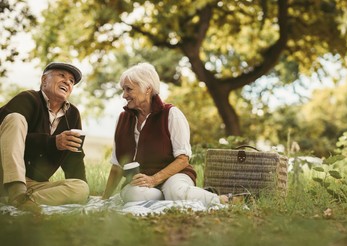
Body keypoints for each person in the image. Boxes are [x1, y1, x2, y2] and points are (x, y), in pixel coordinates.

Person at [102, 62, 227, 207]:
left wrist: (154, 179)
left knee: (175, 190)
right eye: (123, 90)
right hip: (143, 183)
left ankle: (222, 200)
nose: (124, 95)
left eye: (128, 89)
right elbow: (117, 166)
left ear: (147, 88)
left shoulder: (171, 114)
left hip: (175, 176)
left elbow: (183, 159)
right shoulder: (123, 119)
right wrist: (104, 199)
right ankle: (174, 198)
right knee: (133, 195)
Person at [0, 62, 89, 213]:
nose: (67, 81)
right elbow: (8, 137)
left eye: (71, 81)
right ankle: (16, 192)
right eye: (61, 75)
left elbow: (74, 158)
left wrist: (84, 195)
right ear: (44, 80)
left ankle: (24, 202)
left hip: (33, 184)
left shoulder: (73, 114)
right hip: (4, 175)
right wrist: (53, 142)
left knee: (80, 188)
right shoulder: (27, 99)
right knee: (15, 118)